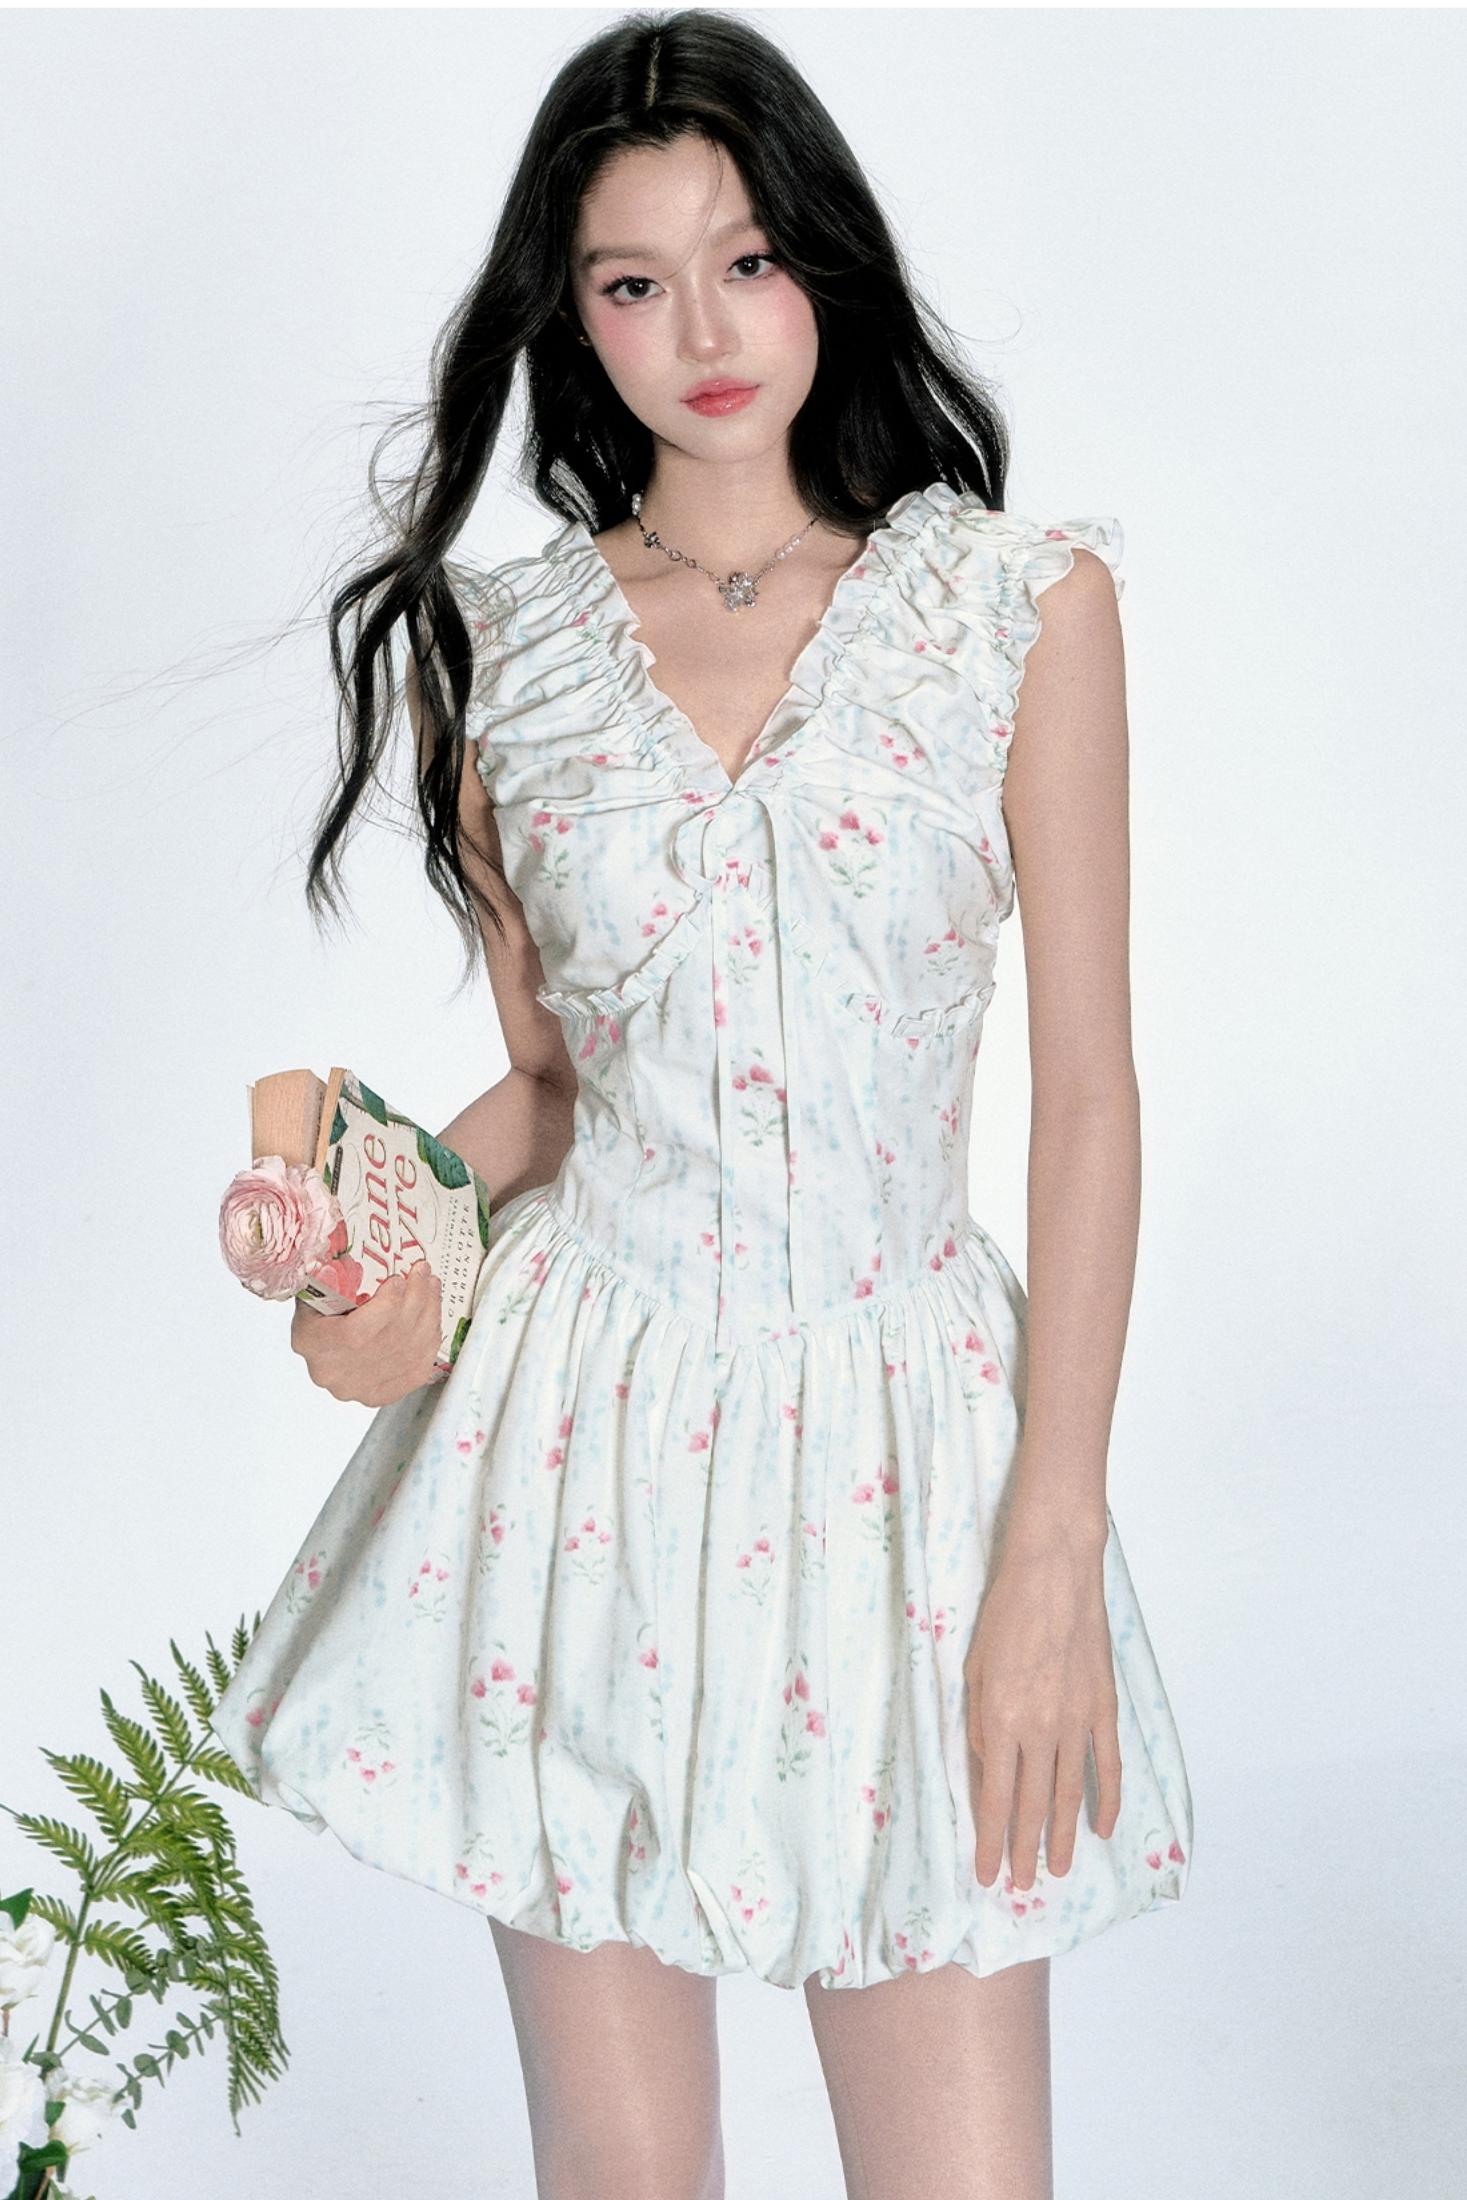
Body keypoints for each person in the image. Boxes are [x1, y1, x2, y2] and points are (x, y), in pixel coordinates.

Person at [208, 12, 1193, 2196]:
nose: (705, 331)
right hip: (576, 1462)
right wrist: (362, 1225)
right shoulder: (503, 654)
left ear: (823, 257)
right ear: (570, 319)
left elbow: (1088, 1099)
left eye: (745, 260)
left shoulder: (1015, 611)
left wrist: (1052, 1533)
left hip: (909, 1464)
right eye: (633, 283)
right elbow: (557, 1089)